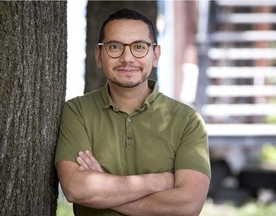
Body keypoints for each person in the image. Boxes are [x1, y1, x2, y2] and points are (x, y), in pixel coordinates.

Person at [55, 8, 211, 216]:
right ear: (99, 56)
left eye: (139, 47)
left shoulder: (188, 121)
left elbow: (188, 205)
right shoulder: (77, 112)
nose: (127, 58)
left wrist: (103, 191)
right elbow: (76, 189)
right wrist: (157, 181)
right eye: (114, 47)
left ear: (155, 55)